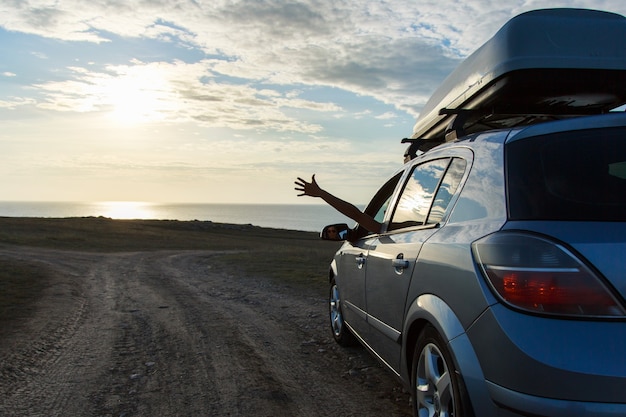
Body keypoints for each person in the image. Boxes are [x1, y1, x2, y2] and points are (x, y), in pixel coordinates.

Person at [294, 174, 382, 233]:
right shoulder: (390, 230)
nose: (386, 212)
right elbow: (356, 215)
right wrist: (321, 193)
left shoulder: (386, 230)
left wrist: (321, 193)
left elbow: (356, 215)